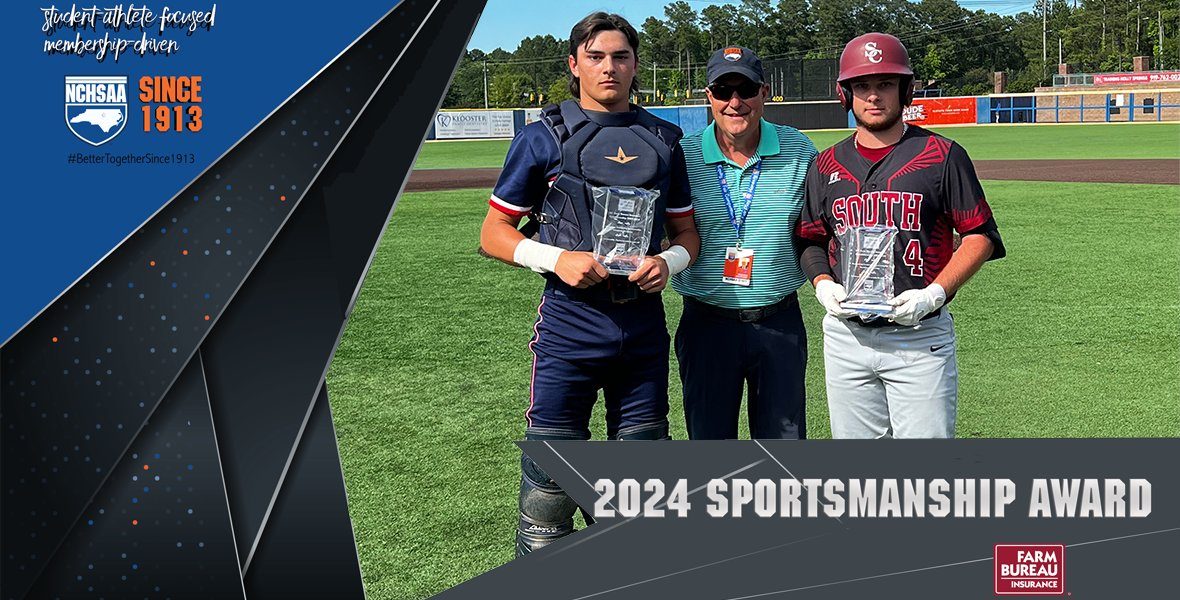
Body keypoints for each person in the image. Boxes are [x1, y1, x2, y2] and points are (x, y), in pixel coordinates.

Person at [478, 12, 699, 555]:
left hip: (642, 328)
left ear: (636, 65)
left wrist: (669, 263)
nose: (609, 67)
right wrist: (557, 259)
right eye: (596, 57)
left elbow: (687, 233)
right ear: (574, 64)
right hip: (569, 325)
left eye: (621, 57)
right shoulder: (542, 137)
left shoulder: (665, 139)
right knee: (549, 490)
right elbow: (493, 232)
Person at [794, 32, 1006, 439]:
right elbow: (810, 238)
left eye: (885, 84)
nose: (873, 96)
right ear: (845, 94)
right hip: (846, 338)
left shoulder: (942, 155)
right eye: (862, 85)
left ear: (906, 90)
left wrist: (935, 294)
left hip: (919, 337)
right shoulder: (826, 164)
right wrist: (822, 283)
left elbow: (979, 235)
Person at [670, 46, 816, 440]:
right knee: (710, 444)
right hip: (706, 325)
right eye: (723, 91)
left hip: (779, 322)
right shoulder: (682, 155)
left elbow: (825, 224)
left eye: (746, 90)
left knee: (783, 445)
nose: (735, 102)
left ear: (764, 92)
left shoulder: (799, 150)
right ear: (709, 96)